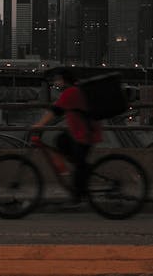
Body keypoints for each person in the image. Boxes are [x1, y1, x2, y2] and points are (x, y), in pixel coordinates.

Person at [32, 68, 102, 205]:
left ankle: (77, 196)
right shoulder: (74, 90)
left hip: (86, 134)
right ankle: (80, 169)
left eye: (59, 79)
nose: (57, 82)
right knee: (61, 141)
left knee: (78, 165)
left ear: (65, 80)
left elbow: (55, 111)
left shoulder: (70, 92)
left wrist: (38, 125)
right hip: (80, 133)